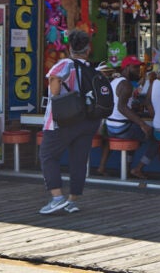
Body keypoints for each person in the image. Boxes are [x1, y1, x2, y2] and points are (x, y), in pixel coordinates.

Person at [39, 29, 101, 215]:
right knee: (79, 161)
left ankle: (57, 197)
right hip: (87, 121)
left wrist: (56, 79)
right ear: (88, 49)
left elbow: (55, 91)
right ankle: (73, 201)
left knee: (48, 155)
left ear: (69, 47)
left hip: (62, 121)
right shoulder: (93, 69)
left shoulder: (64, 64)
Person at [96, 55, 159, 179]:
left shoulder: (114, 82)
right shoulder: (126, 85)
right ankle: (138, 168)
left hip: (110, 127)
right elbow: (122, 108)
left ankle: (119, 167)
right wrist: (143, 124)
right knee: (155, 138)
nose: (137, 70)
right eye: (135, 67)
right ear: (127, 68)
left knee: (136, 136)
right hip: (121, 129)